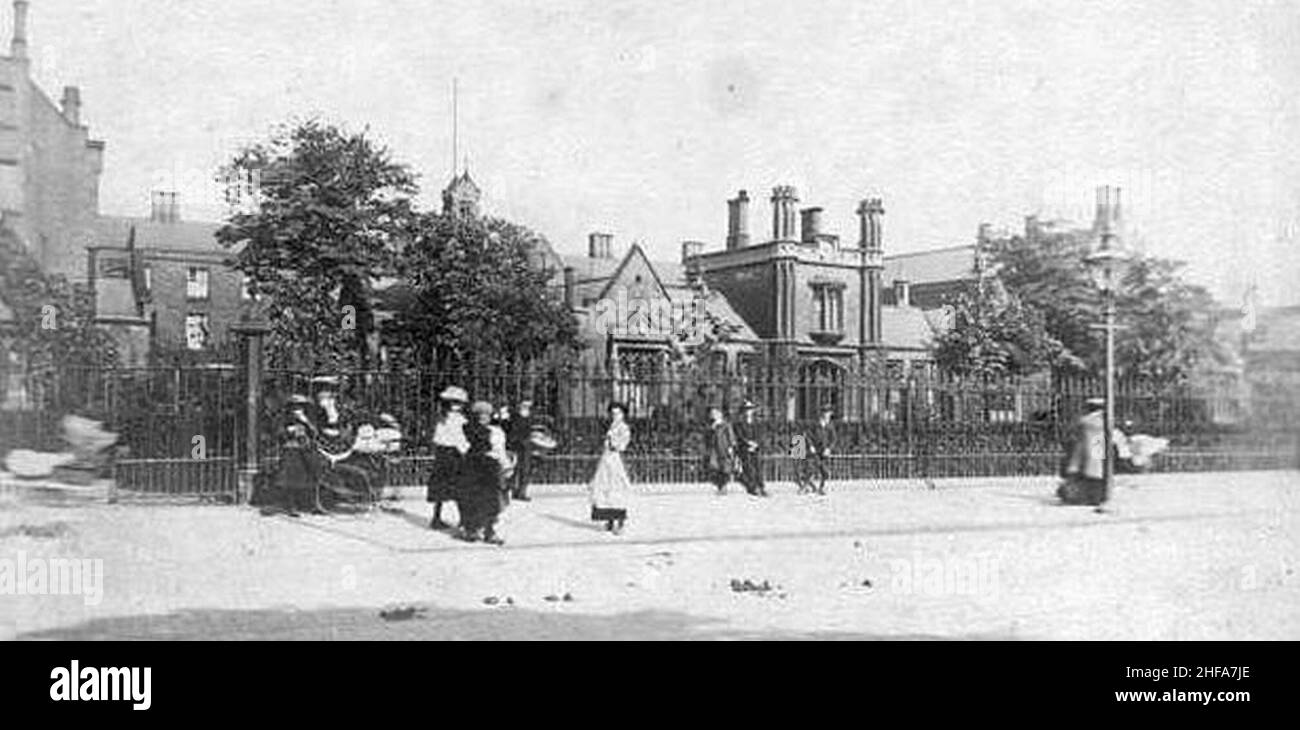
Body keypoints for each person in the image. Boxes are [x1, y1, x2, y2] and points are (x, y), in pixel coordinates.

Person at [460, 400, 506, 545]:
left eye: (486, 414)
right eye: (479, 414)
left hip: (490, 466)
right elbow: (462, 446)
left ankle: (489, 530)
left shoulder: (496, 431)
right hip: (473, 464)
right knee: (473, 497)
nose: (483, 417)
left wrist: (504, 464)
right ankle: (471, 529)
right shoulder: (467, 428)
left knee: (491, 498)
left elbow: (500, 450)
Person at [427, 386, 470, 530]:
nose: (456, 406)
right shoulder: (458, 420)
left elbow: (436, 438)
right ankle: (464, 519)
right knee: (460, 487)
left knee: (441, 487)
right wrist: (467, 453)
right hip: (454, 454)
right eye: (454, 402)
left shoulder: (441, 418)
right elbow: (459, 440)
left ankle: (436, 518)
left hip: (442, 454)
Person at [589, 402, 633, 534]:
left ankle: (619, 521)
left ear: (623, 414)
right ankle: (609, 518)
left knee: (616, 487)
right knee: (603, 486)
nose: (615, 416)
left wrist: (615, 445)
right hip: (606, 458)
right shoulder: (611, 426)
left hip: (614, 459)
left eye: (618, 413)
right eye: (613, 413)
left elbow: (623, 443)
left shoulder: (623, 427)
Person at [1059, 398, 1107, 507]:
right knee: (1095, 473)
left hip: (1087, 447)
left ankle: (1085, 496)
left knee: (1088, 472)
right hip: (1097, 445)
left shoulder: (1086, 420)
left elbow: (1074, 431)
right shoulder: (1101, 419)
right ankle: (1094, 496)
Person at [732, 401, 767, 497]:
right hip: (745, 447)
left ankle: (761, 486)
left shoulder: (757, 421)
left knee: (758, 467)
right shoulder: (739, 422)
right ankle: (753, 487)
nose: (749, 411)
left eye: (750, 409)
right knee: (749, 467)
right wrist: (748, 443)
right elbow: (739, 435)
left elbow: (761, 434)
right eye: (747, 409)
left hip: (756, 447)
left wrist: (756, 443)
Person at [703, 405, 737, 495]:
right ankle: (720, 486)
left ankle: (723, 487)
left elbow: (731, 436)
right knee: (714, 468)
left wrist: (731, 447)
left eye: (715, 413)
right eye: (712, 413)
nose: (713, 415)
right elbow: (708, 438)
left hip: (724, 449)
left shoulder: (725, 425)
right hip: (715, 450)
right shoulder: (712, 425)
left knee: (725, 468)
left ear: (720, 414)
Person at [508, 400, 537, 501]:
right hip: (520, 445)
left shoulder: (523, 417)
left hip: (523, 445)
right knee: (519, 469)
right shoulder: (516, 417)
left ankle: (519, 491)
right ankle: (517, 491)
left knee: (522, 469)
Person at [804, 405, 836, 496]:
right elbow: (808, 436)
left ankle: (822, 487)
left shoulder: (830, 425)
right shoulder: (815, 424)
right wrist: (811, 446)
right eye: (827, 413)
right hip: (815, 450)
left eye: (829, 413)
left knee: (824, 470)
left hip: (824, 450)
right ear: (823, 414)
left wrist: (829, 448)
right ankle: (809, 486)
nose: (828, 415)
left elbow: (833, 439)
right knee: (812, 468)